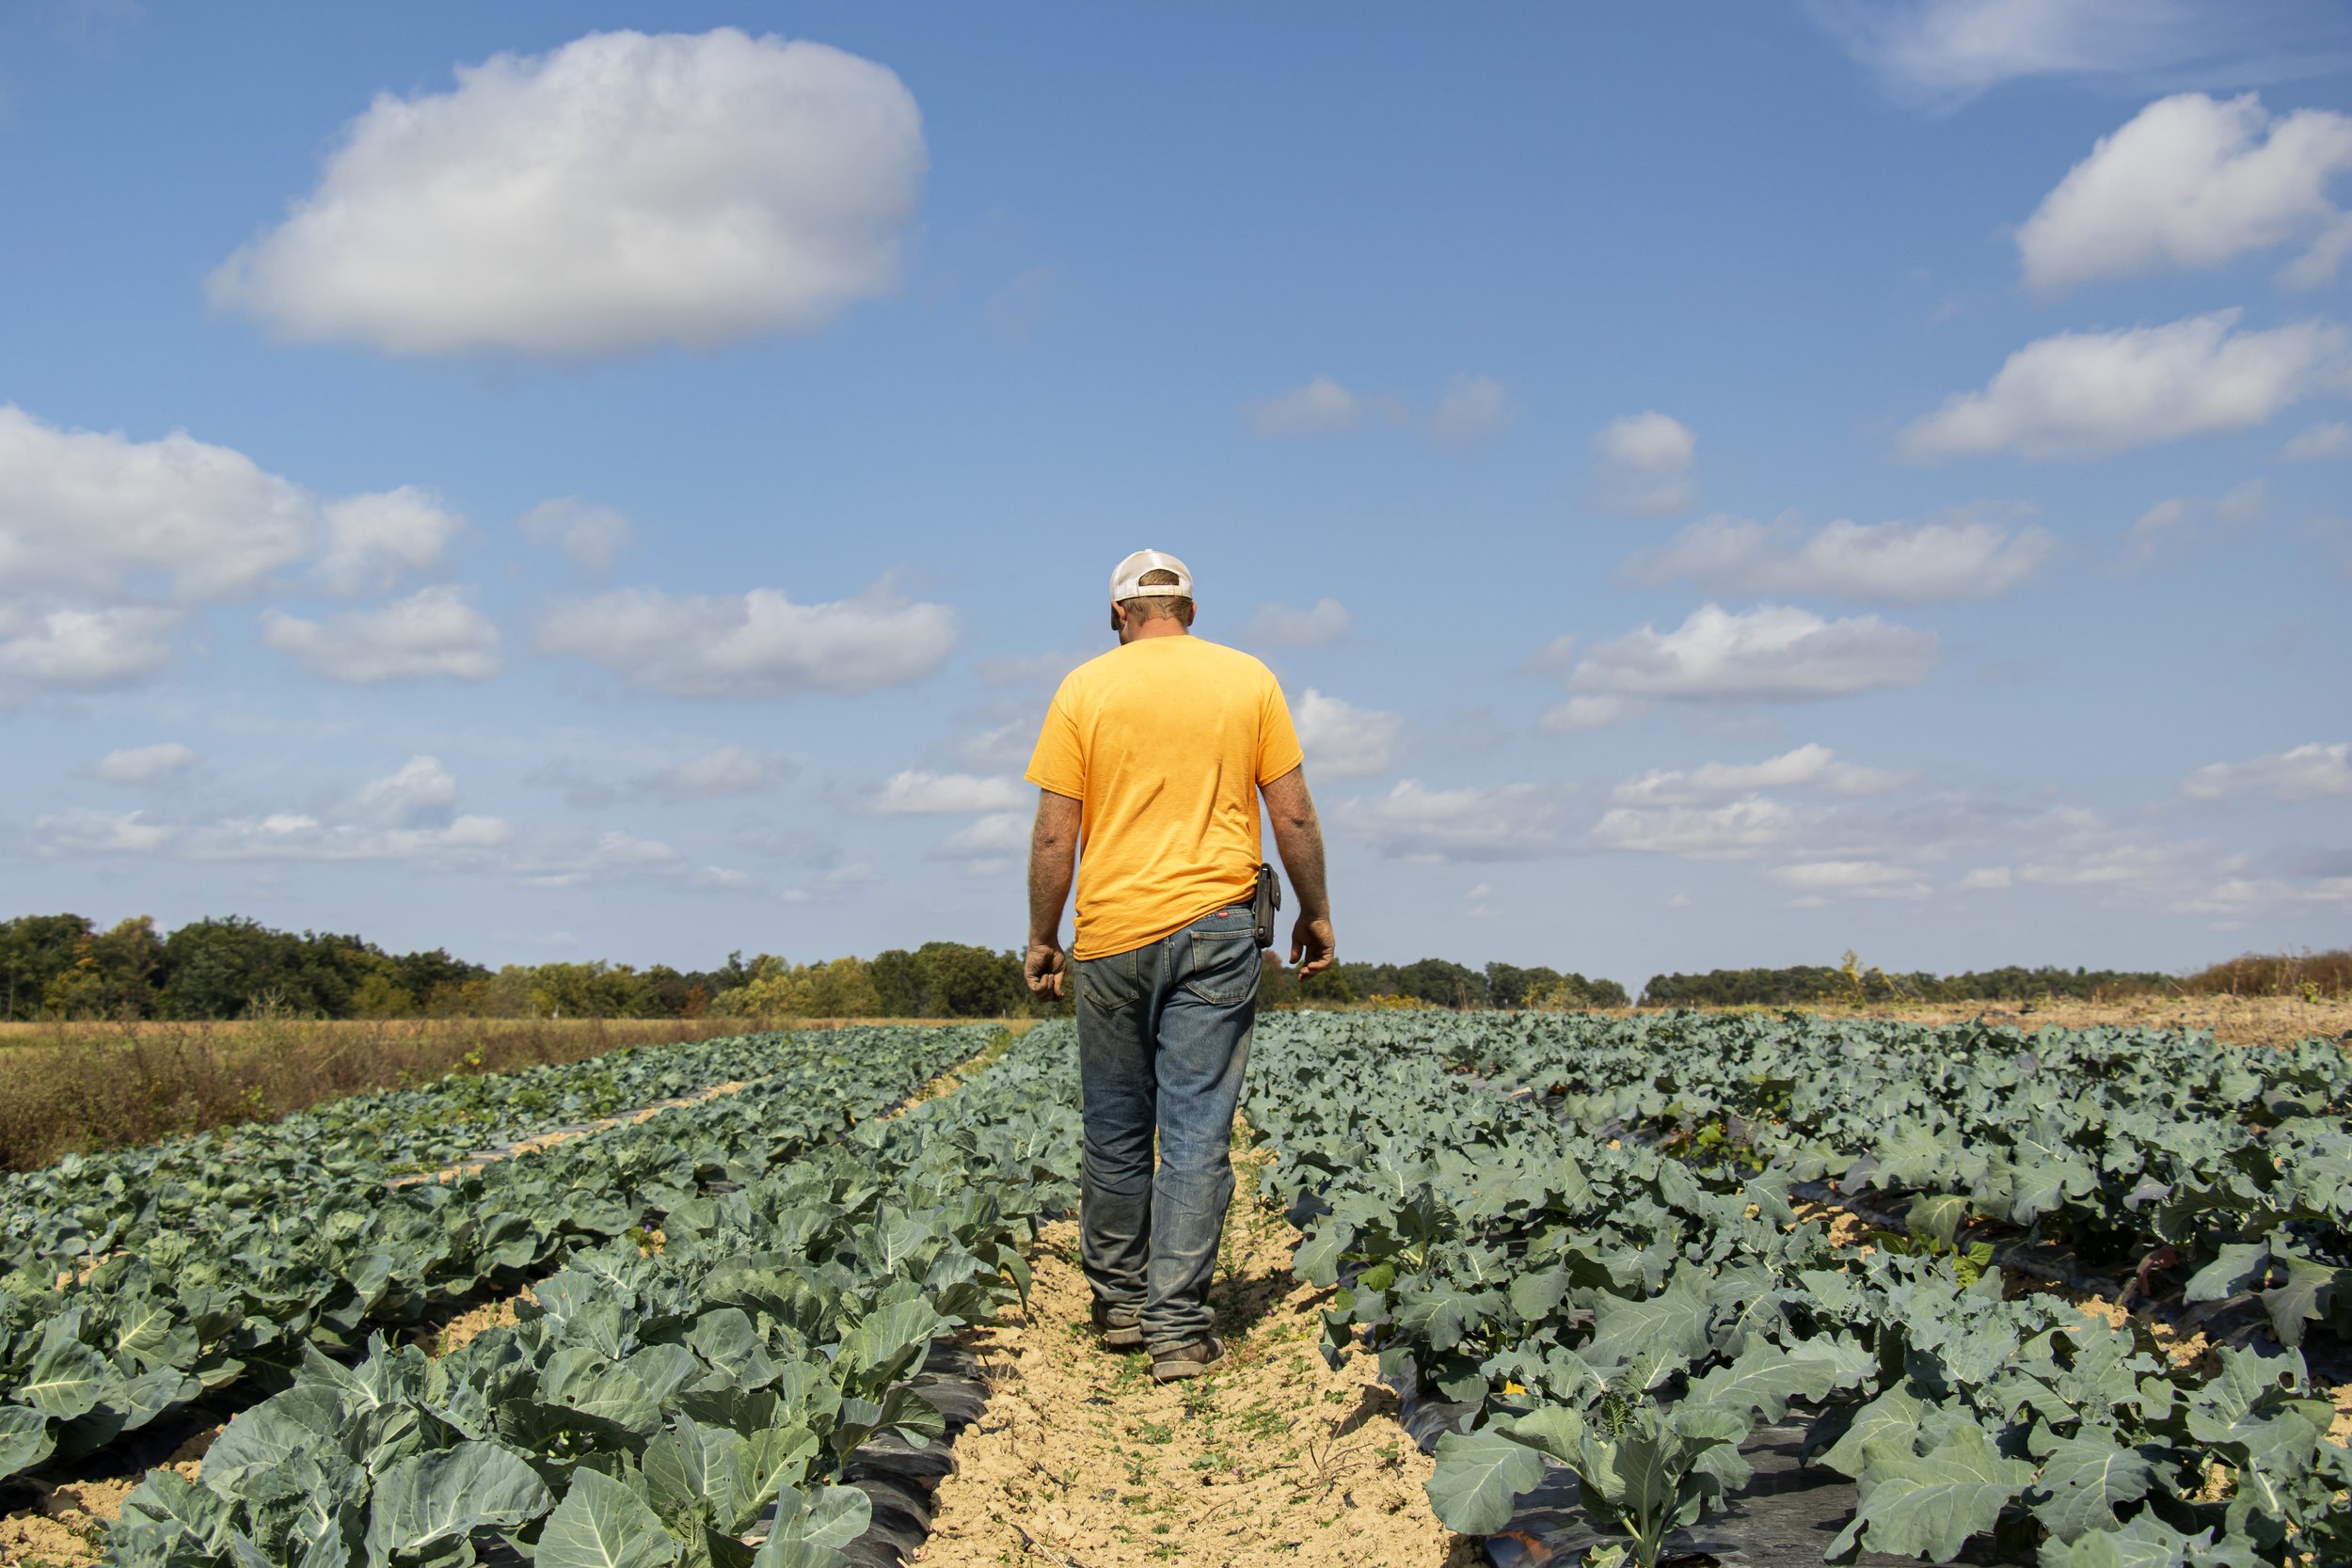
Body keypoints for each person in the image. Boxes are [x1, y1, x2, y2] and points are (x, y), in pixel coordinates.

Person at [1022, 548, 1336, 1383]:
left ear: (1118, 614)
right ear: (1188, 610)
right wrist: (1316, 911)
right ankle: (1178, 1329)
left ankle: (1121, 1304)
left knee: (1117, 1127)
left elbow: (1057, 832)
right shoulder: (1249, 679)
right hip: (1217, 931)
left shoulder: (1084, 688)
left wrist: (1042, 936)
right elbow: (1294, 811)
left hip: (1113, 935)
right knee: (1197, 1131)